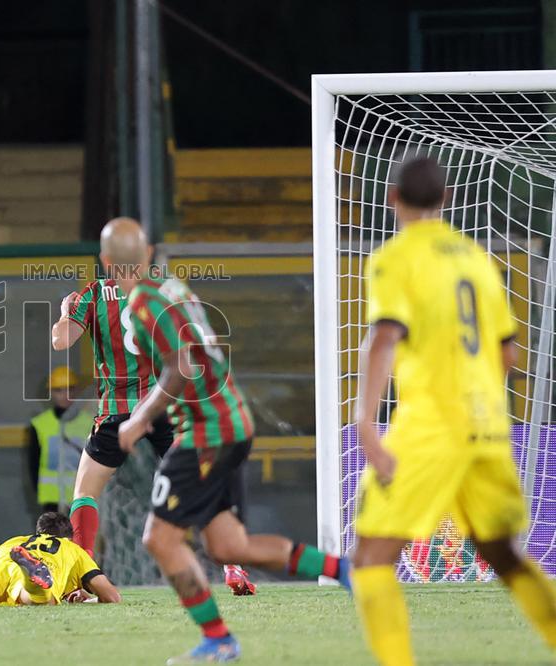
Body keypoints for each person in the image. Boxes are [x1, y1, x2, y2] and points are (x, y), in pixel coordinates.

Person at [104, 218, 349, 664]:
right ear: (149, 251)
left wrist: (138, 421)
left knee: (159, 539)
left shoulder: (141, 303)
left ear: (105, 262)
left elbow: (181, 367)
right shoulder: (171, 287)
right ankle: (344, 570)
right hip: (231, 421)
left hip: (207, 432)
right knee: (228, 546)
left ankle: (218, 639)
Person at [351, 155, 556, 665]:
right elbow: (509, 354)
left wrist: (365, 422)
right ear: (445, 200)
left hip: (430, 427)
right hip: (488, 424)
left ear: (392, 198)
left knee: (373, 556)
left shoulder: (394, 259)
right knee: (502, 553)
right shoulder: (476, 259)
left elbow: (385, 337)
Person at [52, 220, 256, 596]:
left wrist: (66, 312)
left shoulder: (93, 294)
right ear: (146, 254)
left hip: (117, 411)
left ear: (105, 259)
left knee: (86, 489)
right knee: (202, 481)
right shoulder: (160, 289)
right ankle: (233, 565)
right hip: (165, 405)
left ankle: (83, 578)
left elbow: (61, 342)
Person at [26, 366, 93, 513]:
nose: (65, 395)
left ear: (77, 391)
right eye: (59, 390)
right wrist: (38, 490)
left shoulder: (90, 423)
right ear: (51, 393)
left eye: (69, 389)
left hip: (82, 495)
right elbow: (33, 463)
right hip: (51, 498)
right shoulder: (40, 424)